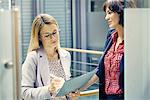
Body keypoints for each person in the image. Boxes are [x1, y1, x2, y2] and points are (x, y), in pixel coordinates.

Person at [80, 0, 136, 100]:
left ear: (121, 12)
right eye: (106, 14)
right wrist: (80, 89)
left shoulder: (135, 40)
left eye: (109, 13)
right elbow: (100, 70)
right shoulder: (111, 36)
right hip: (106, 96)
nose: (106, 18)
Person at [21, 14, 74, 100]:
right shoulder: (33, 58)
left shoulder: (66, 55)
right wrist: (48, 90)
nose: (53, 38)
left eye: (54, 33)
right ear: (39, 37)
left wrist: (71, 94)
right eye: (47, 35)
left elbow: (66, 88)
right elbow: (24, 92)